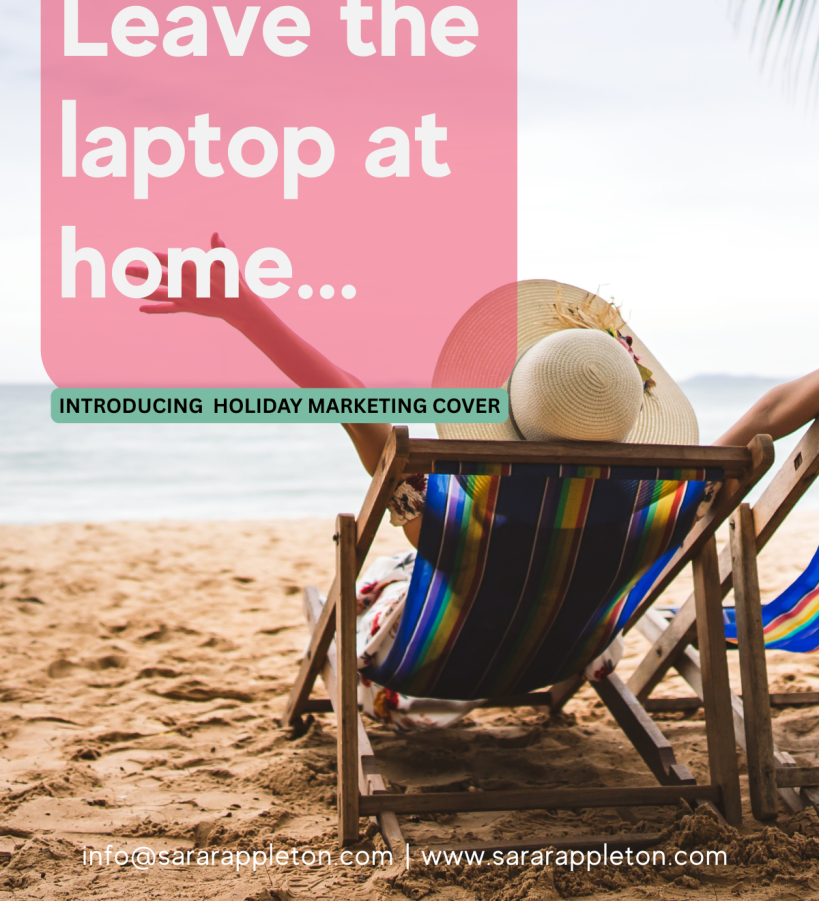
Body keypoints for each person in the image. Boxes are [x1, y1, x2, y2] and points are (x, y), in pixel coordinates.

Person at [127, 235, 819, 728]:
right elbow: (768, 413)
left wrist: (245, 310)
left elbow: (344, 395)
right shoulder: (672, 502)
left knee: (392, 575)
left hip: (422, 663)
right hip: (562, 654)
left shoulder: (452, 516)